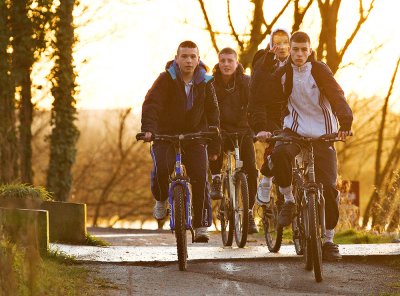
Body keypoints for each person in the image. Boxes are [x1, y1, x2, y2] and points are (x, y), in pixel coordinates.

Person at [257, 31, 353, 261]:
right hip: (295, 129)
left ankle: (329, 240)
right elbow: (262, 96)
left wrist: (345, 123)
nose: (299, 54)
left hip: (323, 132)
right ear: (289, 50)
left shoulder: (320, 70)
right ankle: (288, 199)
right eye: (295, 49)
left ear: (309, 51)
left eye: (303, 50)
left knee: (328, 188)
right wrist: (263, 127)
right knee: (280, 154)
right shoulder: (283, 73)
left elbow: (337, 96)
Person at [140, 41, 220, 242]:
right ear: (176, 59)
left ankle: (201, 224)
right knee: (162, 168)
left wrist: (213, 136)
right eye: (184, 56)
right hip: (166, 135)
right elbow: (151, 105)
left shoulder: (206, 82)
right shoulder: (166, 79)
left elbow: (213, 112)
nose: (189, 60)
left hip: (195, 136)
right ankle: (161, 199)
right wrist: (149, 130)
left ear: (198, 59)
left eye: (193, 56)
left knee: (201, 176)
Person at [208, 47, 259, 234]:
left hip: (243, 131)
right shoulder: (211, 84)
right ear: (218, 63)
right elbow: (207, 110)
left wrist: (254, 130)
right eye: (223, 61)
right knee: (214, 147)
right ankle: (215, 179)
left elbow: (254, 107)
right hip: (221, 131)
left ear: (237, 63)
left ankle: (250, 212)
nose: (226, 64)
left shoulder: (246, 82)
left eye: (230, 60)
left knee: (251, 171)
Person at [248, 27, 291, 206]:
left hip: (292, 110)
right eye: (277, 42)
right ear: (271, 43)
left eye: (285, 42)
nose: (281, 47)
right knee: (277, 142)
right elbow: (257, 93)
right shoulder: (263, 60)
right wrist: (261, 127)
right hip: (268, 112)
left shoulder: (298, 60)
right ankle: (266, 179)